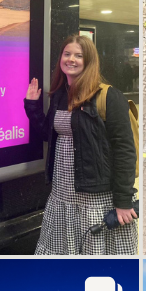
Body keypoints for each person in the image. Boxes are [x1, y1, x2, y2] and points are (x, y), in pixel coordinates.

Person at [25, 34, 138, 254]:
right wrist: (31, 106)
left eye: (79, 55)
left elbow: (125, 150)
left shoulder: (108, 96)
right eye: (67, 54)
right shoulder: (59, 95)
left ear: (89, 61)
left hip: (95, 199)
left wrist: (123, 200)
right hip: (62, 195)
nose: (71, 59)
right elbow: (49, 134)